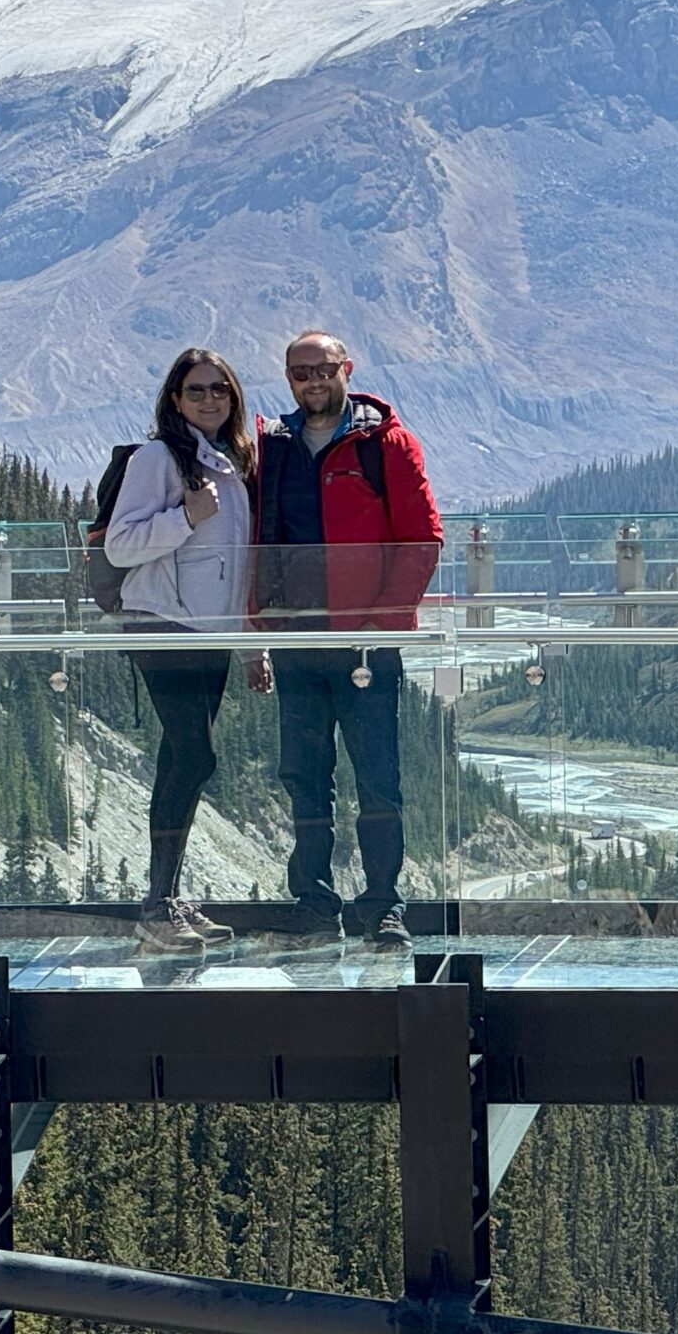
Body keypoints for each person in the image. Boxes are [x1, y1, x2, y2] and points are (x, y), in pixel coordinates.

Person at [252, 331, 442, 949]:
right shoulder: (273, 448)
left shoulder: (385, 444)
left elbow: (422, 540)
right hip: (297, 639)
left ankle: (383, 904)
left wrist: (380, 623)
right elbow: (255, 536)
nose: (311, 381)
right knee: (303, 775)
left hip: (365, 645)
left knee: (377, 776)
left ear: (346, 370)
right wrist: (260, 628)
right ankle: (313, 901)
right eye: (298, 371)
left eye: (322, 368)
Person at [101, 347, 265, 952]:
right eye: (196, 390)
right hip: (162, 623)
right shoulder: (158, 458)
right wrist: (186, 519)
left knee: (184, 757)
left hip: (211, 633)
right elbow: (120, 545)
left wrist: (249, 643)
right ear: (175, 399)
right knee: (194, 757)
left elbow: (237, 565)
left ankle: (165, 899)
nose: (209, 399)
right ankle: (157, 902)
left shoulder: (230, 463)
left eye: (220, 390)